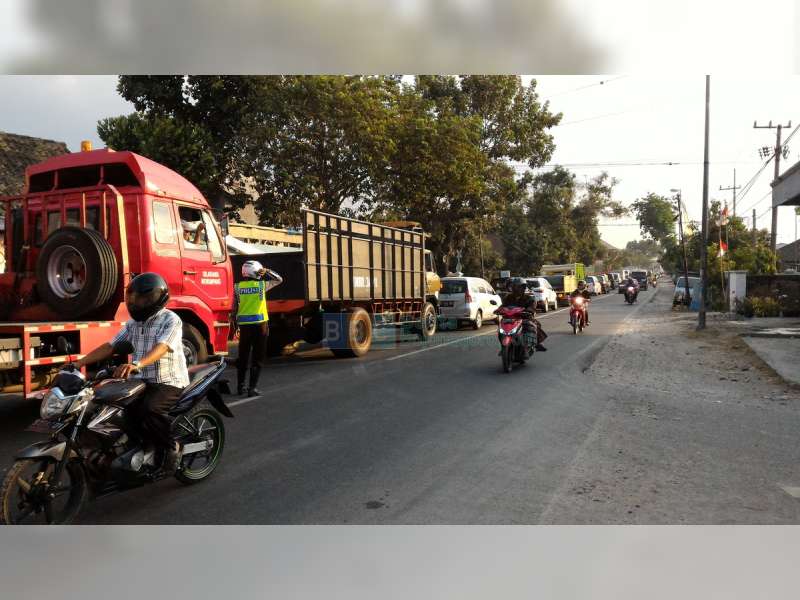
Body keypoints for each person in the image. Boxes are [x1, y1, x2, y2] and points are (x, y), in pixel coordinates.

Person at [75, 272, 189, 473]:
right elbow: (110, 346)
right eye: (135, 298)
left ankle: (172, 447)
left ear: (157, 298)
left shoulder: (171, 320)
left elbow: (162, 346)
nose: (138, 302)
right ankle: (138, 446)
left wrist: (137, 363)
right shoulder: (133, 323)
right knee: (116, 410)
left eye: (144, 298)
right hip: (140, 380)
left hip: (168, 380)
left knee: (150, 409)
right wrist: (79, 363)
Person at [234, 259, 283, 396]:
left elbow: (234, 308)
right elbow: (279, 279)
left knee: (243, 356)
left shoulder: (237, 287)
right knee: (257, 357)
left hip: (244, 326)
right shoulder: (262, 285)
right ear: (257, 271)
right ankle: (252, 388)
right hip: (260, 325)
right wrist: (267, 271)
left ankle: (240, 387)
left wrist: (234, 326)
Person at [501, 279, 548, 352]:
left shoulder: (529, 298)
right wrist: (498, 310)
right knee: (501, 329)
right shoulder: (508, 297)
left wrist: (529, 310)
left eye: (519, 287)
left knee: (533, 325)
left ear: (523, 288)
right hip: (510, 319)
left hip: (524, 318)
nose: (517, 289)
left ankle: (536, 343)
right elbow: (503, 306)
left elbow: (532, 306)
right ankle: (504, 346)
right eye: (515, 287)